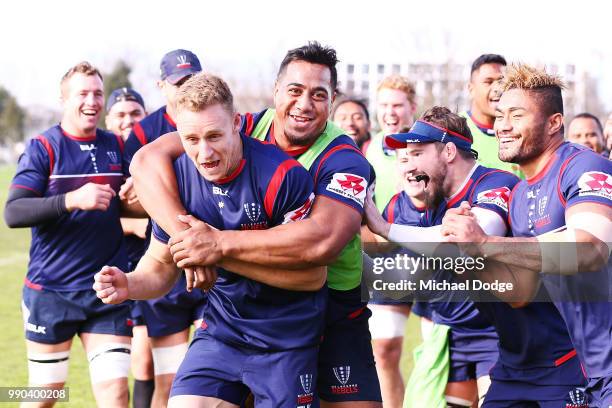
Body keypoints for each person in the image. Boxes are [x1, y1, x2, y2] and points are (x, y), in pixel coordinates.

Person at [129, 42, 383, 407]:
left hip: (335, 309)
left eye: (318, 94)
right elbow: (147, 160)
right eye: (294, 91)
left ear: (333, 100)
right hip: (251, 311)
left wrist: (215, 247)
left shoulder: (347, 161)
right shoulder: (242, 128)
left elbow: (321, 243)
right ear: (276, 91)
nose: (304, 103)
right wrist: (190, 243)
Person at [94, 72, 327, 407]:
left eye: (214, 136)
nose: (204, 153)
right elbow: (160, 264)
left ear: (236, 123)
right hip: (222, 333)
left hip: (286, 340)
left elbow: (311, 276)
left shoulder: (283, 176)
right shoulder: (179, 178)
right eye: (191, 139)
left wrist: (215, 250)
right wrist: (129, 284)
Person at [366, 107, 588, 407]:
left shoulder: (494, 183)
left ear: (447, 152)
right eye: (404, 157)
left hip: (524, 343)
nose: (408, 165)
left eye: (416, 154)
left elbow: (472, 237)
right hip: (474, 339)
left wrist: (386, 227)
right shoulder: (422, 199)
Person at [441, 63, 611, 406]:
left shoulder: (583, 166)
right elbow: (521, 290)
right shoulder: (518, 195)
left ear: (553, 123)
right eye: (500, 115)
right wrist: (463, 254)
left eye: (516, 115)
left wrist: (487, 243)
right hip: (561, 368)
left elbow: (592, 249)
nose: (503, 125)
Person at [4, 62, 132, 407]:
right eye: (82, 93)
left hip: (105, 290)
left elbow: (133, 201)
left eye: (97, 93)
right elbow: (13, 212)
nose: (92, 101)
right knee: (45, 393)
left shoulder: (117, 147)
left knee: (116, 394)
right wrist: (72, 199)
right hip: (51, 292)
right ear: (64, 99)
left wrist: (136, 198)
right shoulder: (44, 147)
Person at [119, 48, 205, 407]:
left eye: (192, 80)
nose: (186, 88)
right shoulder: (143, 133)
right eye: (178, 82)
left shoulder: (215, 121)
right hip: (165, 262)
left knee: (214, 375)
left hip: (214, 267)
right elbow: (127, 204)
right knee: (167, 379)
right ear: (162, 86)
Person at [105, 87, 154, 408]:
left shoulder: (151, 155)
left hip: (154, 270)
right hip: (115, 271)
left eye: (135, 114)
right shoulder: (104, 159)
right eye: (120, 115)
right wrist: (134, 223)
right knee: (133, 364)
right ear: (108, 120)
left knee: (151, 362)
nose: (128, 121)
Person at [461, 54, 522, 177]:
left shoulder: (521, 130)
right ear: (471, 89)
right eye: (488, 82)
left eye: (501, 81)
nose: (498, 88)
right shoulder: (455, 129)